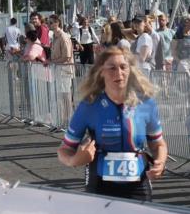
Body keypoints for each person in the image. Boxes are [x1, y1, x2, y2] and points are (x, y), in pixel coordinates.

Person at [57, 47, 166, 202]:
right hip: (100, 183)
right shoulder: (89, 105)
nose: (119, 73)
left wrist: (160, 162)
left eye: (123, 67)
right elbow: (65, 149)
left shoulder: (146, 103)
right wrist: (74, 160)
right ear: (101, 71)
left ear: (130, 70)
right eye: (112, 68)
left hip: (138, 183)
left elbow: (158, 144)